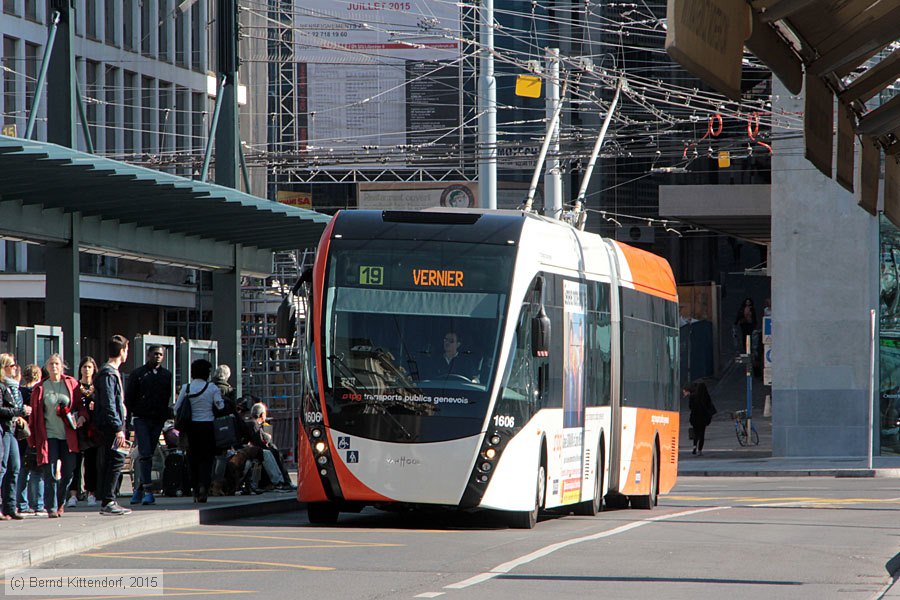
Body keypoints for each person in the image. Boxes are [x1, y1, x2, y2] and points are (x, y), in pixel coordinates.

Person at [27, 354, 83, 518]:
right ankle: (51, 506)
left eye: (57, 364)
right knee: (49, 471)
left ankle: (60, 502)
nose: (54, 367)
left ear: (62, 366)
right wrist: (33, 438)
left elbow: (80, 405)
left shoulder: (71, 384)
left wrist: (82, 416)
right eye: (51, 364)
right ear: (46, 367)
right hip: (49, 435)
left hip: (68, 435)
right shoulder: (41, 387)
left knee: (68, 472)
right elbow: (34, 415)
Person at [125, 345, 174, 506]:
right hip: (141, 418)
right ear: (148, 355)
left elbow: (166, 397)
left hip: (157, 419)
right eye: (155, 354)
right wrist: (127, 422)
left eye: (161, 354)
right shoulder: (138, 374)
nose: (158, 357)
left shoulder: (166, 375)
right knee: (145, 453)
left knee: (149, 453)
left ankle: (139, 489)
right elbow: (129, 399)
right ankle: (147, 490)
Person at [174, 359, 225, 503]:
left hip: (191, 428)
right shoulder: (212, 388)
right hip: (207, 427)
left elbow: (176, 408)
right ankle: (204, 486)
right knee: (206, 460)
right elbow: (220, 407)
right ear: (206, 373)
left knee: (192, 459)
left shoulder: (187, 388)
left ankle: (195, 488)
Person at [94, 335, 132, 516]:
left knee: (114, 459)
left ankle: (109, 499)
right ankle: (108, 500)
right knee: (116, 459)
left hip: (116, 424)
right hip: (113, 427)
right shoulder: (108, 373)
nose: (127, 354)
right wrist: (118, 428)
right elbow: (109, 402)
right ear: (122, 351)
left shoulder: (110, 372)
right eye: (126, 350)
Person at [66, 357, 99, 508]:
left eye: (89, 367)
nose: (87, 370)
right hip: (77, 428)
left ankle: (91, 492)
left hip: (92, 429)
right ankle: (73, 493)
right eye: (84, 367)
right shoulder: (75, 386)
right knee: (75, 463)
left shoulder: (97, 386)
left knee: (91, 462)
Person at [0, 353, 30, 520]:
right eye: (11, 366)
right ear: (3, 368)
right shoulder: (1, 386)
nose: (15, 368)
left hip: (11, 429)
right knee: (2, 467)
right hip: (3, 429)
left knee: (15, 466)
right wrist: (19, 411)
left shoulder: (14, 387)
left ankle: (10, 506)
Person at [16, 364, 44, 516]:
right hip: (33, 435)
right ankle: (38, 504)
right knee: (36, 471)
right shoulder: (36, 392)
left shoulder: (19, 392)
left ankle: (21, 503)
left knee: (21, 470)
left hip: (20, 435)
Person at [246, 402, 294, 491]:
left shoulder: (253, 424)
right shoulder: (253, 424)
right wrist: (268, 438)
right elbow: (259, 441)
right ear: (262, 414)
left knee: (274, 450)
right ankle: (282, 481)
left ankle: (283, 481)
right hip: (254, 450)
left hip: (255, 449)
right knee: (273, 451)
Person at [688, 382, 716, 456]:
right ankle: (700, 450)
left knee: (695, 433)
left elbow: (690, 406)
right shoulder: (706, 397)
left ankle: (694, 447)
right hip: (703, 418)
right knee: (702, 434)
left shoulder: (693, 396)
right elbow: (709, 406)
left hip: (694, 417)